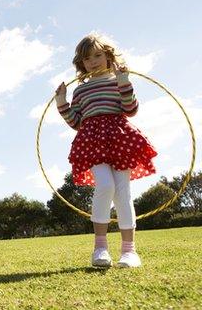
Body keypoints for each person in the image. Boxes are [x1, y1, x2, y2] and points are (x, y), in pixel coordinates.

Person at [55, 33, 157, 268]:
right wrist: (62, 101)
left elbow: (130, 109)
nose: (93, 61)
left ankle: (129, 251)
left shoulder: (117, 80)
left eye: (98, 55)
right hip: (92, 140)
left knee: (123, 192)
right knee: (105, 185)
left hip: (119, 138)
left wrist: (124, 82)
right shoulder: (80, 91)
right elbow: (76, 122)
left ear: (109, 56)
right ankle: (100, 248)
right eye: (87, 59)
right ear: (81, 63)